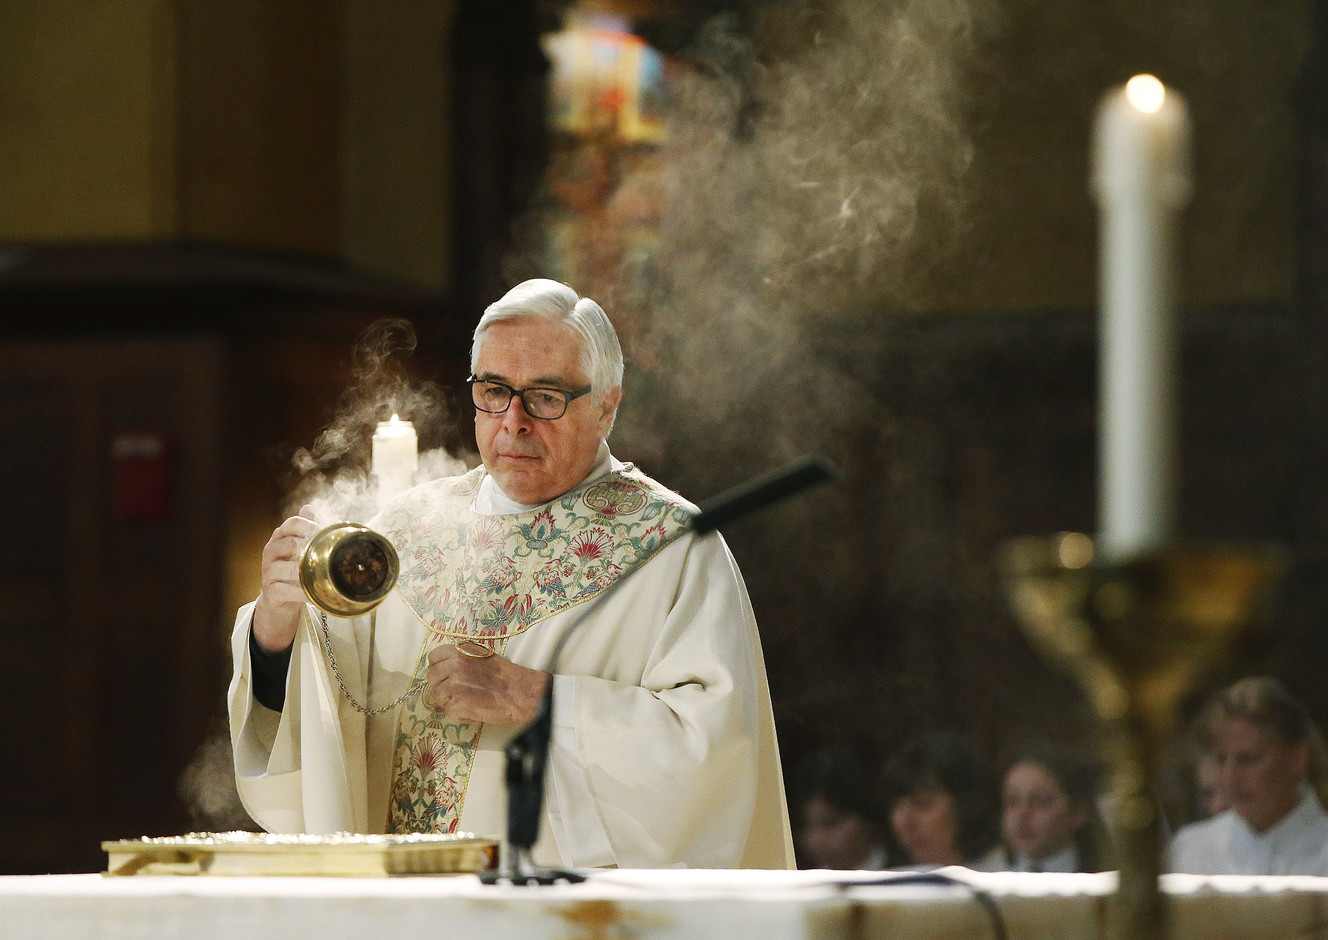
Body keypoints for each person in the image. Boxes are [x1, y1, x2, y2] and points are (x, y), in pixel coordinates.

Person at [227, 278, 795, 869]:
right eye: (495, 391)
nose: (514, 421)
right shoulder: (404, 530)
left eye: (546, 397)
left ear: (607, 405)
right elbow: (328, 709)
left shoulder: (672, 547)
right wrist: (277, 632)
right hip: (405, 908)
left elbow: (716, 755)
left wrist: (539, 699)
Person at [1168, 676, 1328, 876]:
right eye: (1221, 760)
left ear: (1297, 757)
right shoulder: (1191, 851)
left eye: (1247, 760)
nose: (1230, 778)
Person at [976, 740, 1106, 873]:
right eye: (1012, 801)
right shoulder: (982, 877)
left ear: (1078, 812)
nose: (1023, 813)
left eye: (1040, 801)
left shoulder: (1105, 877)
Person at [881, 730, 998, 868]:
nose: (905, 822)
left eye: (922, 804)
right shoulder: (889, 883)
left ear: (966, 804)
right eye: (896, 805)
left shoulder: (1007, 878)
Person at [794, 746, 891, 869]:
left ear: (868, 817)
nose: (815, 840)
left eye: (831, 823)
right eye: (804, 826)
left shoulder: (906, 875)